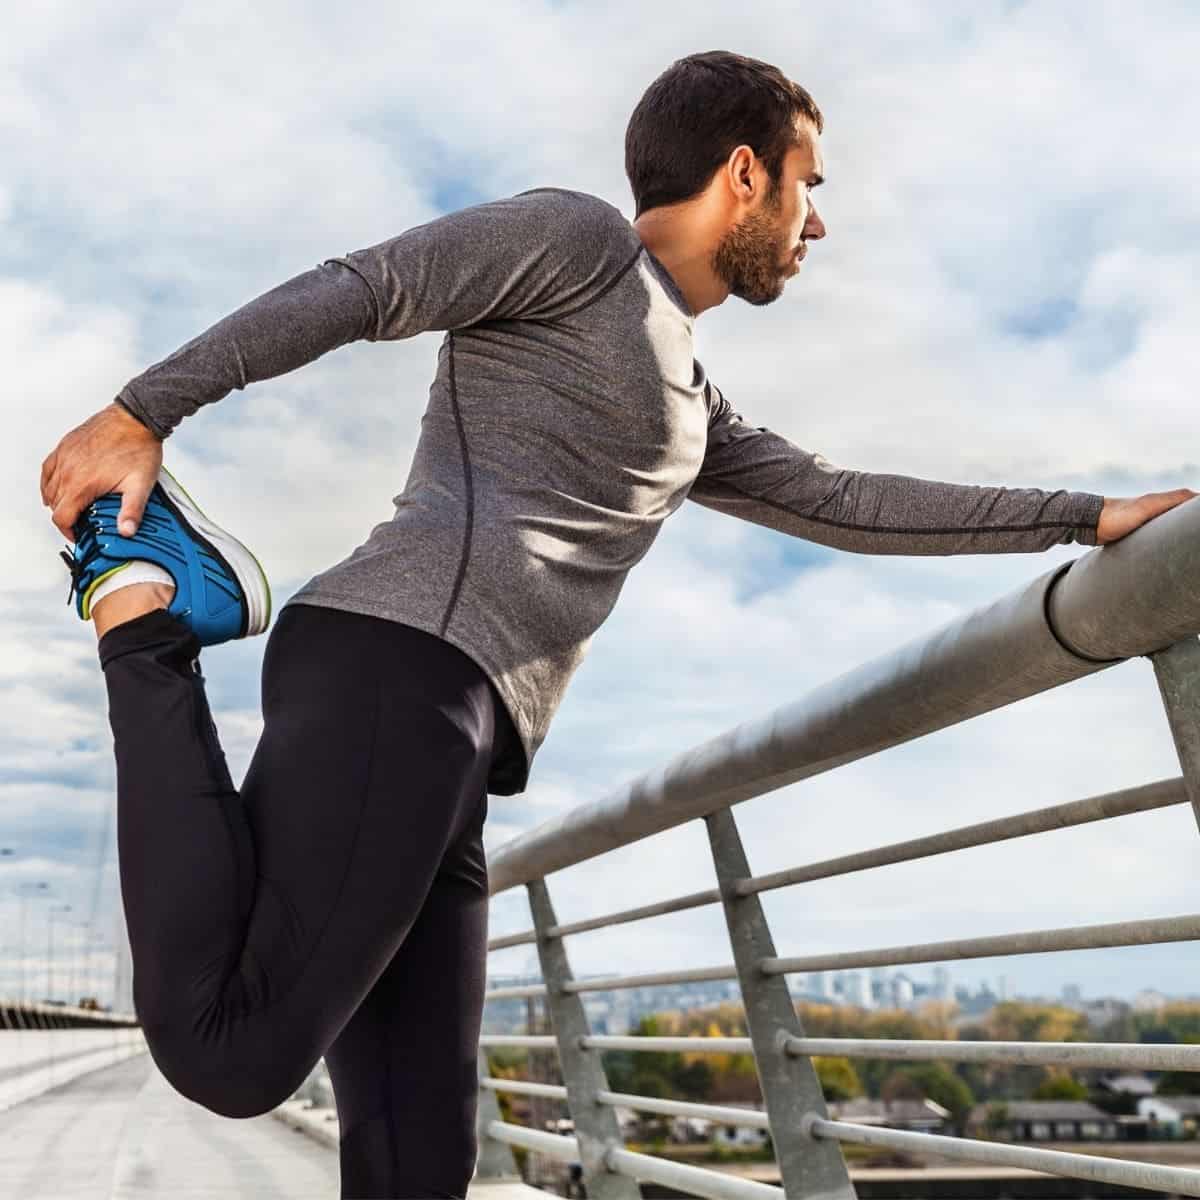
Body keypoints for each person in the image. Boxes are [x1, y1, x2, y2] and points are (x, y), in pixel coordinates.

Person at [38, 50, 1194, 1200]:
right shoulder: (577, 243)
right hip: (399, 665)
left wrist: (1086, 517)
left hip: (459, 734)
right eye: (811, 185)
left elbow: (840, 500)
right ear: (745, 174)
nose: (818, 224)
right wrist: (145, 410)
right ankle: (142, 614)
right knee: (231, 1051)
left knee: (416, 1151)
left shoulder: (691, 396)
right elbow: (363, 285)